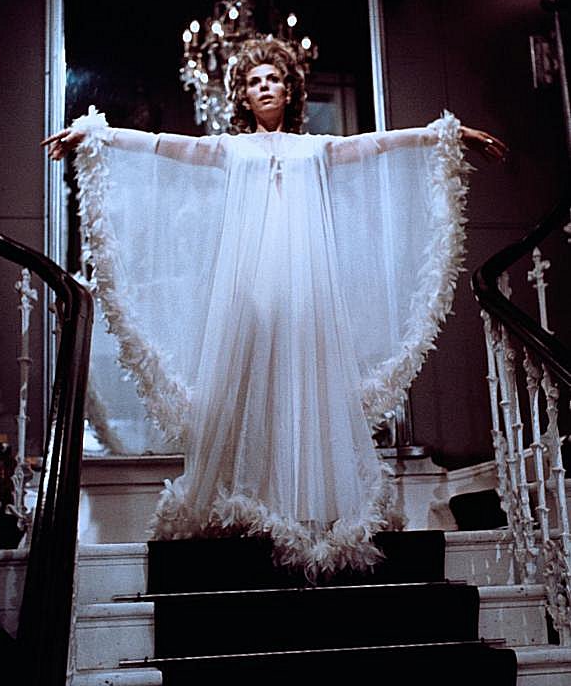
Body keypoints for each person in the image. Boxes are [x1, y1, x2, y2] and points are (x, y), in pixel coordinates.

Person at [43, 37, 506, 580]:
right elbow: (165, 145)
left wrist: (444, 135)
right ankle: (244, 507)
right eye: (254, 81)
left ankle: (311, 510)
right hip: (249, 294)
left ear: (290, 90)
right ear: (243, 94)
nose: (264, 87)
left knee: (307, 390)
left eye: (273, 79)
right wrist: (98, 136)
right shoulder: (231, 149)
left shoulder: (315, 149)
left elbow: (378, 144)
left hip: (308, 294)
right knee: (246, 391)